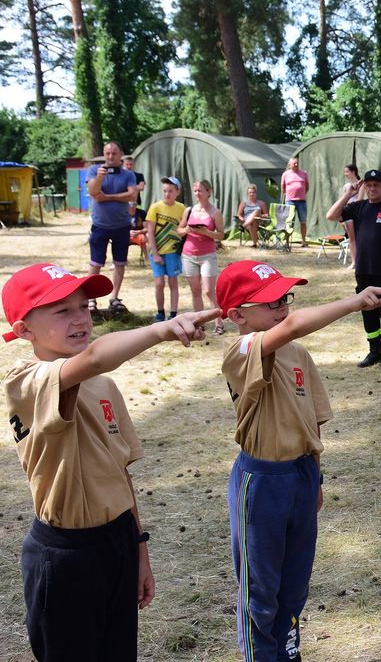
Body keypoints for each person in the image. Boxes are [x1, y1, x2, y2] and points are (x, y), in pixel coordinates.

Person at [2, 261, 215, 660]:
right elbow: (97, 357)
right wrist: (162, 328)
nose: (80, 319)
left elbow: (121, 474)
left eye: (84, 307)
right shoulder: (26, 380)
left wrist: (138, 550)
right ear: (24, 330)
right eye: (62, 311)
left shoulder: (104, 386)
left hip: (116, 540)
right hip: (65, 555)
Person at [217, 260, 381, 660]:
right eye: (270, 302)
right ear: (237, 315)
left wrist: (315, 477)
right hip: (261, 482)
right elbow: (292, 326)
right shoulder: (241, 350)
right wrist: (352, 303)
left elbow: (313, 420)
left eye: (285, 298)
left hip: (299, 476)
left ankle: (287, 649)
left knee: (294, 583)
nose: (282, 307)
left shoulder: (297, 354)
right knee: (260, 587)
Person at [325, 169, 381, 369]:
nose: (372, 188)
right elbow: (331, 215)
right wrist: (349, 194)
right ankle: (374, 351)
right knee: (367, 311)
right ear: (365, 186)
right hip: (363, 270)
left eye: (376, 185)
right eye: (369, 185)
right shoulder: (358, 207)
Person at [85, 141, 142, 313]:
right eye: (107, 153)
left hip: (122, 225)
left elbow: (132, 194)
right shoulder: (94, 170)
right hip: (100, 225)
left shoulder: (128, 175)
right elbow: (93, 192)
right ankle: (91, 299)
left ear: (121, 155)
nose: (110, 157)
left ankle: (114, 297)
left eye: (114, 153)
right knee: (95, 264)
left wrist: (108, 197)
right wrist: (101, 177)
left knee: (119, 263)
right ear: (104, 154)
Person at [179, 179, 226, 337]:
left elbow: (221, 234)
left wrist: (205, 232)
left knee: (208, 291)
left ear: (208, 192)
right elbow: (179, 230)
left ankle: (219, 323)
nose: (197, 193)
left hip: (207, 255)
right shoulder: (189, 210)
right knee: (196, 290)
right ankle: (199, 323)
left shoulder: (214, 212)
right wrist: (187, 230)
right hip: (188, 254)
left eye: (200, 190)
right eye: (195, 190)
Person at [145, 176, 186, 323]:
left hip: (172, 252)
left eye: (170, 191)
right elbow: (150, 231)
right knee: (159, 283)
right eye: (164, 191)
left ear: (177, 192)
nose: (167, 194)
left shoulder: (181, 208)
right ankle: (160, 312)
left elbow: (183, 228)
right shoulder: (155, 207)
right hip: (157, 251)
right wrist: (155, 253)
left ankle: (173, 313)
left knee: (173, 282)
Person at [280, 157, 310, 247]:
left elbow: (307, 186)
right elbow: (283, 187)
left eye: (297, 163)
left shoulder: (303, 173)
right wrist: (289, 195)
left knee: (303, 222)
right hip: (290, 201)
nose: (296, 164)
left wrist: (301, 193)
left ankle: (303, 241)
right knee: (289, 222)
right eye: (294, 163)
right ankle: (287, 242)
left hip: (301, 201)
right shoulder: (285, 174)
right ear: (289, 165)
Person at [341, 164, 363, 264]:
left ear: (353, 172)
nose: (345, 174)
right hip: (348, 214)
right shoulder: (346, 186)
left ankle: (361, 261)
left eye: (347, 171)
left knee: (359, 238)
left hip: (358, 214)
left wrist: (351, 204)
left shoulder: (361, 184)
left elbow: (360, 200)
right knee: (352, 238)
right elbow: (343, 201)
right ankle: (354, 262)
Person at [123, 155, 146, 231]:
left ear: (134, 165)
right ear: (123, 165)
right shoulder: (120, 176)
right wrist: (136, 188)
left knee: (138, 220)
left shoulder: (139, 175)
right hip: (123, 203)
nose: (129, 166)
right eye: (127, 164)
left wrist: (127, 187)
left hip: (137, 203)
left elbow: (142, 187)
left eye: (131, 164)